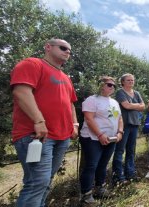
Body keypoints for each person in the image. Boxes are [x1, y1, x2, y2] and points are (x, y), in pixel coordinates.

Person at [10, 38, 78, 207]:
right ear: (48, 47)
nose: (67, 52)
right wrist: (39, 121)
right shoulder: (32, 64)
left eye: (69, 50)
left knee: (45, 183)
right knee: (37, 183)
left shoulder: (66, 77)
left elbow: (70, 103)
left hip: (62, 137)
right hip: (36, 136)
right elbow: (21, 91)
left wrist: (74, 124)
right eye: (63, 47)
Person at [79, 76, 123, 204]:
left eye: (114, 85)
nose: (112, 87)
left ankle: (100, 188)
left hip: (111, 138)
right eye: (109, 84)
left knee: (103, 164)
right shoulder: (92, 100)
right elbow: (89, 119)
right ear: (101, 85)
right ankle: (86, 195)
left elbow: (119, 118)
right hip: (92, 138)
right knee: (91, 165)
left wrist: (120, 132)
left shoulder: (114, 102)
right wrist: (100, 135)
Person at [112, 73, 145, 184]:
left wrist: (132, 105)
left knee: (131, 151)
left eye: (132, 80)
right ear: (123, 82)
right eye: (128, 80)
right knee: (120, 150)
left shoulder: (137, 93)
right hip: (124, 125)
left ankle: (130, 173)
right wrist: (137, 105)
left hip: (134, 124)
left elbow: (143, 106)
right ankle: (118, 176)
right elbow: (126, 106)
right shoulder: (120, 92)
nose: (131, 82)